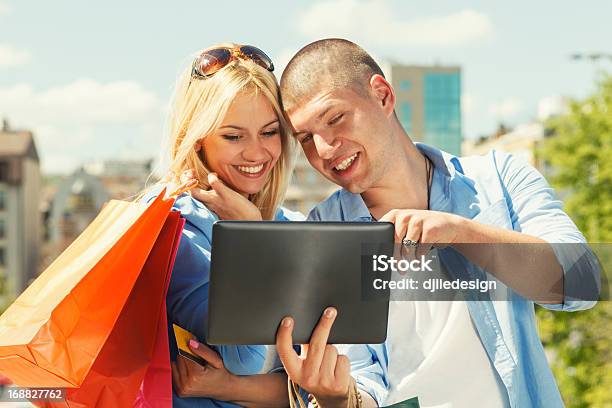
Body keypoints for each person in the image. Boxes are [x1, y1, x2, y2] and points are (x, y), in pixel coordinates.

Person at [270, 38, 600, 407]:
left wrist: (459, 232)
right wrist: (336, 397)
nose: (325, 149)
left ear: (382, 96)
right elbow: (361, 379)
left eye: (335, 119)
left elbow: (582, 284)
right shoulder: (323, 234)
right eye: (306, 139)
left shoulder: (499, 180)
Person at [143, 43, 305, 407]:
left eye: (269, 132)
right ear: (198, 140)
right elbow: (248, 361)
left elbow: (319, 386)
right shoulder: (174, 234)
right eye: (233, 136)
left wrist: (229, 386)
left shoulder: (294, 224)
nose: (256, 153)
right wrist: (252, 239)